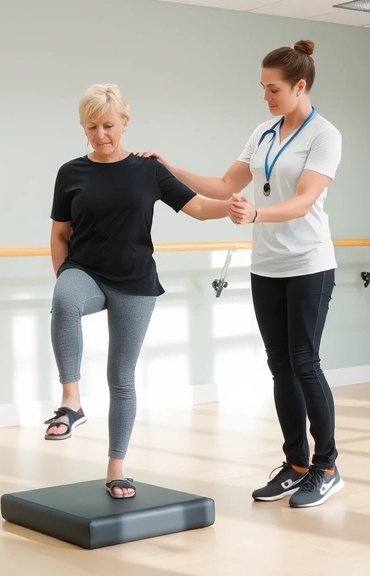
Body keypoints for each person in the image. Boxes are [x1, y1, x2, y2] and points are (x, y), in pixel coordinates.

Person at [136, 40, 344, 508]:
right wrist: (170, 168)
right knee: (279, 366)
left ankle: (326, 467)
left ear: (300, 85)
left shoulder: (324, 136)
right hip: (267, 265)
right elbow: (227, 184)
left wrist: (255, 217)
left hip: (309, 263)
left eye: (274, 89)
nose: (266, 98)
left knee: (305, 363)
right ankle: (295, 465)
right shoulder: (264, 132)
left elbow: (304, 200)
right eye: (263, 89)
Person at [45, 83, 232, 499]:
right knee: (63, 301)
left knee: (121, 377)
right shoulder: (70, 172)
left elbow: (199, 208)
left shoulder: (147, 170)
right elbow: (59, 234)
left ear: (125, 123)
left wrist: (237, 207)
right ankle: (71, 401)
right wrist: (64, 275)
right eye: (91, 127)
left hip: (135, 282)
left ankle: (115, 468)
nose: (100, 135)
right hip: (85, 271)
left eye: (108, 125)